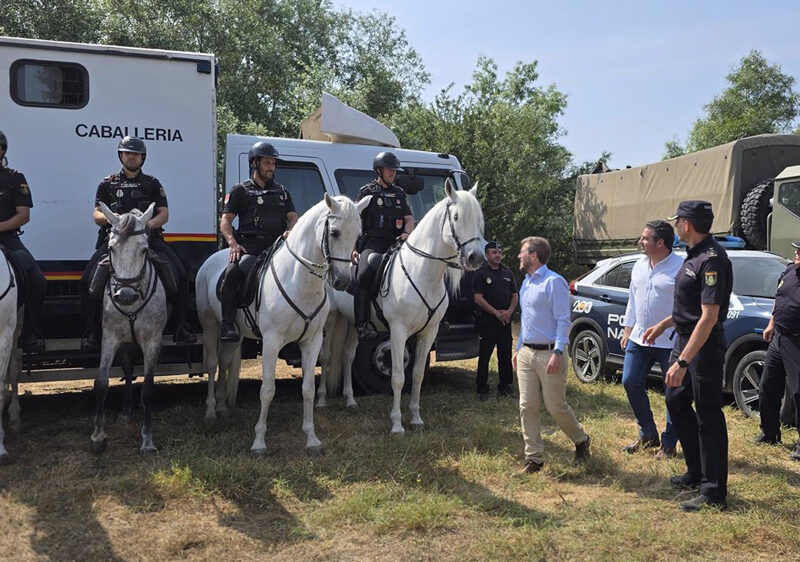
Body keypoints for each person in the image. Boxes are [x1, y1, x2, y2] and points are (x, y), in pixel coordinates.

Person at [643, 200, 732, 511]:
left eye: (678, 221)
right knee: (675, 399)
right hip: (684, 338)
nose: (676, 225)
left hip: (703, 348)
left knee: (708, 415)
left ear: (687, 224)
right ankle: (696, 471)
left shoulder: (712, 260)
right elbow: (689, 308)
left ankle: (713, 492)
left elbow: (708, 318)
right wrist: (664, 323)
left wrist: (683, 361)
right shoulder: (692, 257)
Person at [80, 136, 197, 351]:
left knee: (179, 275)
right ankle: (92, 332)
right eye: (127, 153)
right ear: (121, 155)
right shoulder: (107, 183)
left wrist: (146, 225)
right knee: (87, 279)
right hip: (116, 242)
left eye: (136, 154)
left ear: (142, 157)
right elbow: (96, 213)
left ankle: (181, 326)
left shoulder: (152, 183)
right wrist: (113, 219)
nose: (131, 157)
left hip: (149, 241)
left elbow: (164, 214)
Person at [512, 236, 591, 473]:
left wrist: (558, 351)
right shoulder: (526, 282)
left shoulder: (554, 282)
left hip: (550, 354)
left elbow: (563, 320)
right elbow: (526, 320)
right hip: (527, 352)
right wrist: (518, 349)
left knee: (556, 406)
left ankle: (581, 440)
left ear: (533, 256)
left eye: (522, 252)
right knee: (527, 405)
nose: (519, 256)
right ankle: (534, 458)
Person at [219, 141, 297, 341]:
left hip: (278, 247)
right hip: (250, 247)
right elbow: (225, 221)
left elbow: (293, 218)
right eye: (267, 163)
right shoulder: (240, 190)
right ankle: (228, 324)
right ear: (254, 163)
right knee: (232, 272)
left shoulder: (282, 191)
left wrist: (291, 230)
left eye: (273, 163)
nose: (271, 167)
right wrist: (232, 243)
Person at [620, 220, 682, 459]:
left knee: (672, 392)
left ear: (660, 242)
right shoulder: (639, 265)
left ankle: (669, 443)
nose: (640, 242)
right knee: (630, 381)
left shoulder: (681, 266)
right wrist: (627, 328)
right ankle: (648, 434)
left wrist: (666, 326)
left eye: (645, 238)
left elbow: (687, 307)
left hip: (670, 340)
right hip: (639, 339)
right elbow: (633, 299)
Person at [353, 151, 414, 341]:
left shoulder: (399, 193)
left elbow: (409, 218)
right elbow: (355, 221)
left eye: (394, 170)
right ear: (379, 170)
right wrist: (354, 248)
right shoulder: (367, 191)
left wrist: (407, 232)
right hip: (373, 242)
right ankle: (362, 324)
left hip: (396, 242)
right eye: (389, 170)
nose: (392, 173)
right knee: (362, 276)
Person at [754, 240, 800, 461]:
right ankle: (769, 433)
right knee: (768, 386)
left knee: (798, 393)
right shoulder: (791, 270)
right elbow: (779, 297)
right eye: (797, 250)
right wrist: (771, 324)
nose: (796, 253)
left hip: (797, 342)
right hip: (779, 336)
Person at [0, 129, 46, 352]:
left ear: (2, 150)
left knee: (36, 279)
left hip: (7, 239)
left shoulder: (14, 178)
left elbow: (23, 215)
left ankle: (29, 331)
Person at [472, 240, 518, 401]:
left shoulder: (508, 273)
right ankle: (482, 389)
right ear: (486, 255)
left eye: (499, 252)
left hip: (505, 322)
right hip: (488, 322)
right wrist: (495, 313)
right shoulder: (481, 274)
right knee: (485, 356)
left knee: (505, 355)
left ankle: (505, 387)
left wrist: (509, 312)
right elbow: (478, 298)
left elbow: (514, 295)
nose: (497, 255)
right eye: (494, 252)